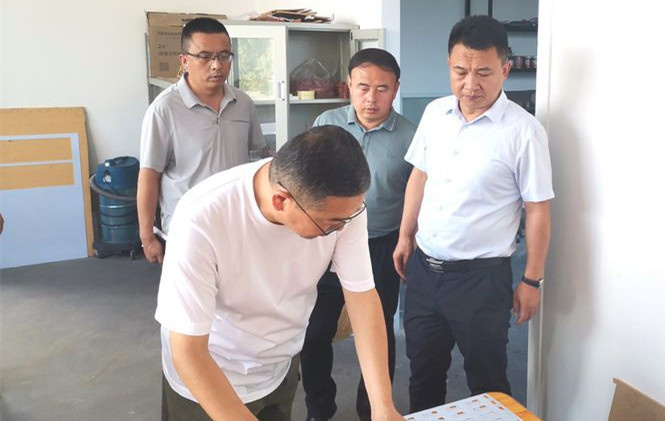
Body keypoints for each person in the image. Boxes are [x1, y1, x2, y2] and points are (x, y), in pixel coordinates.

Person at [155, 125, 404, 421]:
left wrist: (383, 406)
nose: (341, 227)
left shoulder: (342, 208)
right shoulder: (201, 219)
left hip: (279, 368)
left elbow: (362, 298)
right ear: (281, 201)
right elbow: (188, 352)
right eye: (331, 224)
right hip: (209, 380)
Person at [392, 15, 554, 412]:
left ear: (505, 70)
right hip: (425, 272)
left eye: (483, 73)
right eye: (461, 72)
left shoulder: (524, 131)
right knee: (423, 373)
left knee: (487, 381)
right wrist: (405, 234)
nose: (470, 85)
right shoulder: (435, 113)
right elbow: (420, 176)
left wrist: (532, 279)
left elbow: (537, 209)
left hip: (481, 280)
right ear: (449, 64)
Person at [300, 49, 416, 421]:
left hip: (381, 245)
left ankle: (374, 410)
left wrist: (408, 239)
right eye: (363, 87)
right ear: (349, 85)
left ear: (396, 89)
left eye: (382, 88)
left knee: (378, 331)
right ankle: (320, 408)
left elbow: (417, 196)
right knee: (314, 331)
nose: (371, 98)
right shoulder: (326, 123)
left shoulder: (411, 136)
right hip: (328, 240)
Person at [137, 17, 265, 264]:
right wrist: (147, 236)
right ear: (184, 60)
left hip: (237, 224)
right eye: (205, 56)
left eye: (224, 56)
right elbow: (149, 176)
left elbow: (256, 159)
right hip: (188, 229)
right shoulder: (164, 109)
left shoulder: (243, 103)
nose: (216, 65)